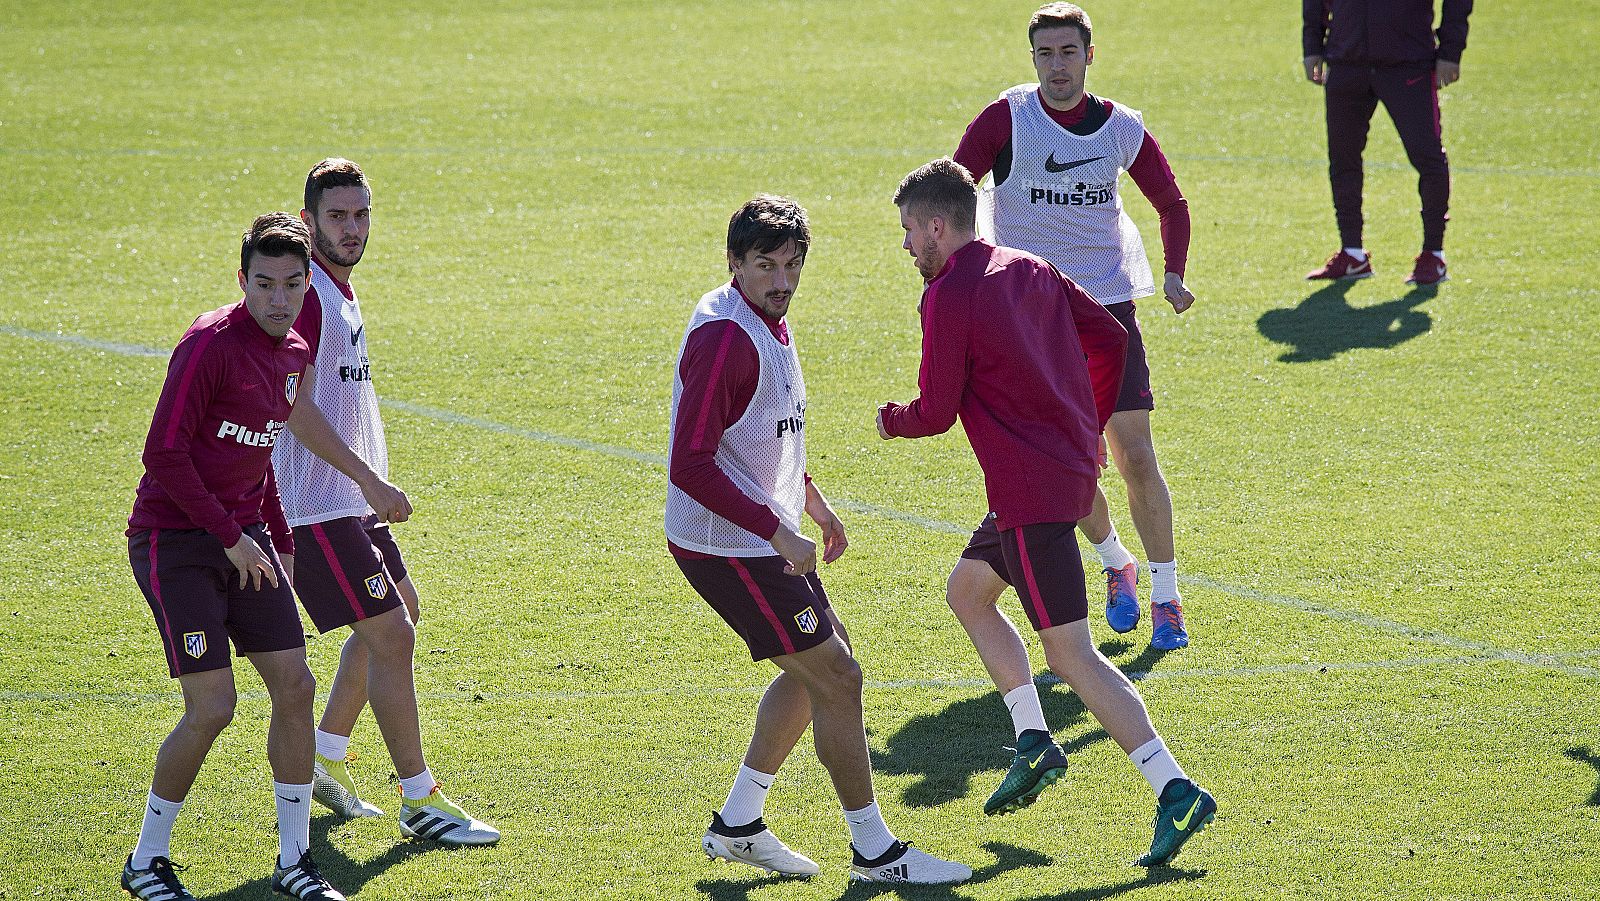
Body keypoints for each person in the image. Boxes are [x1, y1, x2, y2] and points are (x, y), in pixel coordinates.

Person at [877, 159, 1215, 867]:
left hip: (1031, 495)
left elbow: (936, 412)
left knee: (1072, 652)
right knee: (969, 593)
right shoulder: (1031, 265)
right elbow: (1111, 338)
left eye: (909, 230)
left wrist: (891, 420)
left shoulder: (946, 295)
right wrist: (1079, 422)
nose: (907, 244)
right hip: (1049, 479)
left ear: (938, 225)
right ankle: (1032, 739)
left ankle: (1175, 786)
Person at [667, 196, 971, 884]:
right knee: (838, 675)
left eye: (792, 264)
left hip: (763, 536)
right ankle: (875, 852)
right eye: (765, 265)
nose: (781, 280)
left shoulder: (768, 321)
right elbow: (692, 462)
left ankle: (739, 822)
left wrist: (812, 501)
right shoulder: (725, 337)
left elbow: (768, 429)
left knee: (814, 676)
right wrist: (777, 529)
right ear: (734, 264)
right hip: (728, 546)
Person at [953, 1, 1196, 650]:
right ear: (1032, 59)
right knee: (1073, 467)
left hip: (1108, 315)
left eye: (1068, 52)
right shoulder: (1009, 118)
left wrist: (1174, 273)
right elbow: (954, 184)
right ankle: (1117, 560)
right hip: (1028, 320)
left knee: (1136, 455)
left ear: (1090, 55)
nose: (1056, 66)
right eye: (1045, 54)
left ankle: (1168, 598)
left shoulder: (1120, 129)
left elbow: (1170, 201)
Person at [270, 159, 497, 845]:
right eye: (337, 216)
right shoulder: (308, 292)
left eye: (361, 214)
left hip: (350, 501)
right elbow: (295, 407)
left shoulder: (339, 288)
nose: (352, 227)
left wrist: (366, 487)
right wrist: (368, 479)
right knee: (390, 631)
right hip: (315, 505)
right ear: (308, 220)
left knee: (401, 616)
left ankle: (323, 760)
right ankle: (420, 797)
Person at [123, 213, 346, 900]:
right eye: (263, 284)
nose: (277, 299)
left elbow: (262, 456)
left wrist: (277, 540)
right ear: (241, 280)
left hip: (244, 536)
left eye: (290, 284)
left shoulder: (296, 350)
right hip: (177, 539)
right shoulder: (209, 344)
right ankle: (145, 860)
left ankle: (294, 859)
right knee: (214, 705)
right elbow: (163, 451)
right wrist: (230, 533)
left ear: (307, 283)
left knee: (297, 686)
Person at [1303, 0, 1471, 286]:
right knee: (1343, 160)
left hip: (1408, 62)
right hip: (1346, 60)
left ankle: (1434, 254)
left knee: (1428, 158)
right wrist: (1312, 45)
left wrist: (1451, 51)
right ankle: (1353, 254)